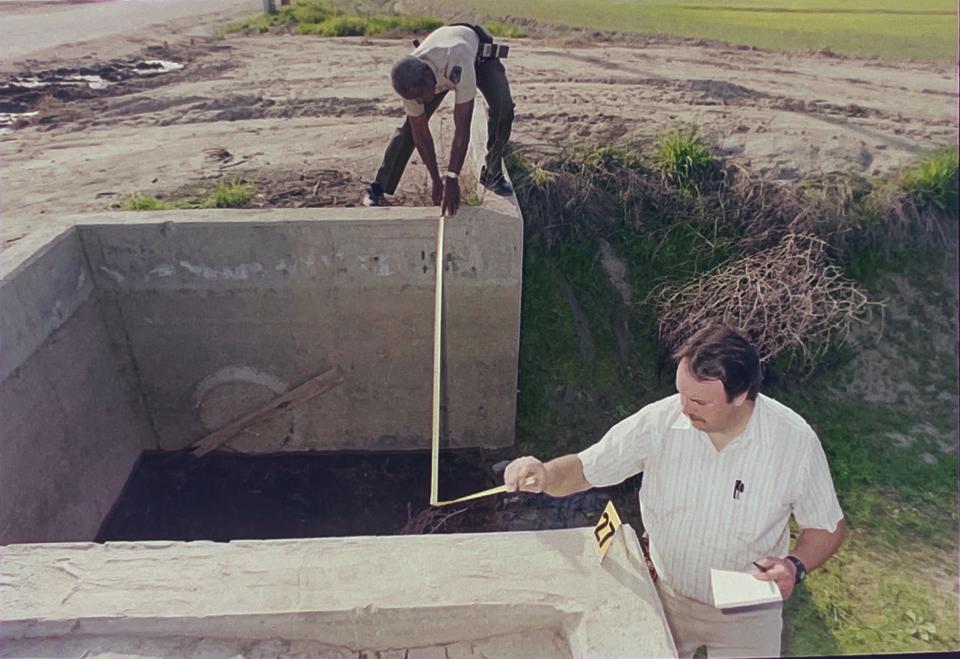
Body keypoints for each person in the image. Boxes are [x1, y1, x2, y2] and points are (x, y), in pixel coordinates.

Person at [503, 325, 846, 658]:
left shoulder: (794, 442)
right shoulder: (659, 422)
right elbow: (585, 469)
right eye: (681, 393)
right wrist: (545, 474)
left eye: (698, 400)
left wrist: (794, 566)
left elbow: (826, 527)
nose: (684, 407)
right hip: (666, 598)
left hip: (749, 613)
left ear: (741, 396)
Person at [361, 23, 515, 216]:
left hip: (478, 58)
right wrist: (436, 180)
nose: (419, 101)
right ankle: (378, 187)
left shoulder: (456, 60)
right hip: (435, 70)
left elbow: (462, 128)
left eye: (420, 95)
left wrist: (452, 178)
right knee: (409, 129)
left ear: (428, 76)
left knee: (503, 107)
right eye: (414, 98)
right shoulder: (409, 80)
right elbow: (421, 135)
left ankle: (492, 172)